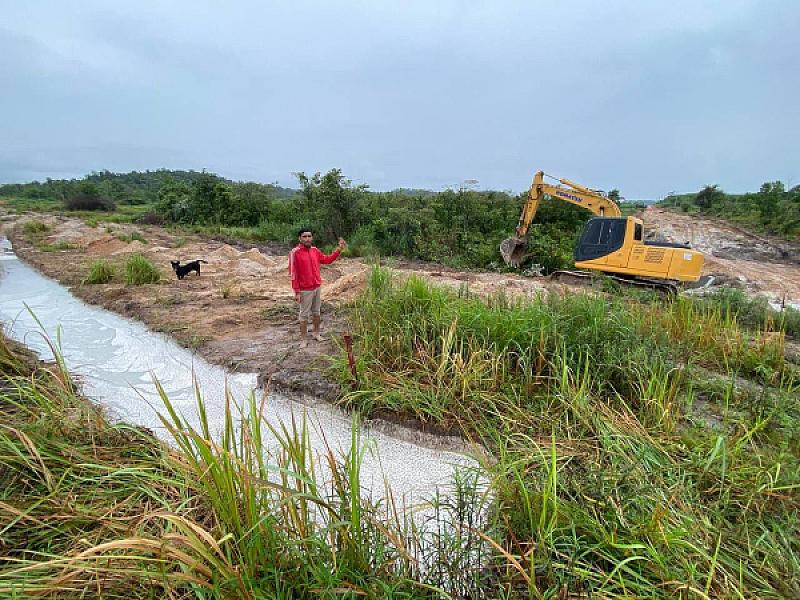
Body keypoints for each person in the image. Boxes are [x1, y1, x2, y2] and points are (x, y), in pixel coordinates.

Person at [288, 228, 346, 345]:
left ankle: (316, 333)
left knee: (316, 312)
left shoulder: (315, 250)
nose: (307, 239)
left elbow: (327, 260)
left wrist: (339, 249)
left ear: (312, 238)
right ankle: (304, 339)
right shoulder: (295, 252)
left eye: (309, 236)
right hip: (305, 289)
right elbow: (293, 273)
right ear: (300, 238)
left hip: (317, 287)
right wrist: (297, 292)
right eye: (304, 237)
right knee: (304, 315)